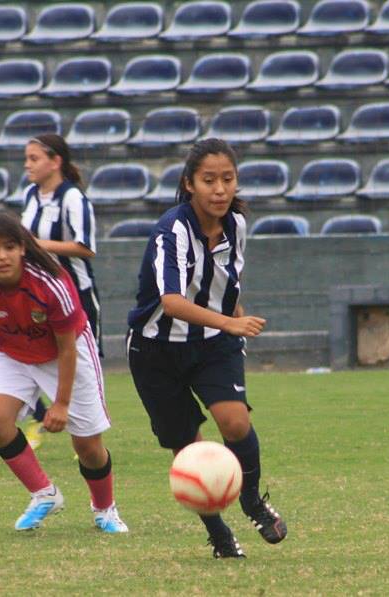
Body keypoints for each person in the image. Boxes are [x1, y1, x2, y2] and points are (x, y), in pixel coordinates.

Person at [126, 138, 286, 558]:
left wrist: (234, 318)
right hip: (155, 351)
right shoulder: (171, 231)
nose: (219, 189)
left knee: (234, 423)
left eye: (227, 179)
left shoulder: (238, 226)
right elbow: (172, 302)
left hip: (213, 344)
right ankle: (219, 535)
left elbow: (227, 284)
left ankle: (251, 500)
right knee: (190, 449)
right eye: (209, 180)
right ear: (189, 184)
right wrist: (232, 322)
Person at [0, 211, 127, 534]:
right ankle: (44, 494)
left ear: (23, 248)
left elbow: (68, 347)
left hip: (64, 354)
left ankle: (105, 509)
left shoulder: (51, 282)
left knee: (88, 447)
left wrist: (61, 405)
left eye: (10, 247)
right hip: (13, 354)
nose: (2, 256)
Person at [20, 134, 103, 449]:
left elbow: (85, 247)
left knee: (81, 367)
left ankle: (89, 438)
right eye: (27, 158)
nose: (27, 165)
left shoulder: (72, 198)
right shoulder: (31, 195)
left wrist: (36, 245)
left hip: (76, 296)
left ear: (55, 162)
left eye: (34, 158)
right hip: (37, 295)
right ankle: (38, 415)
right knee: (26, 355)